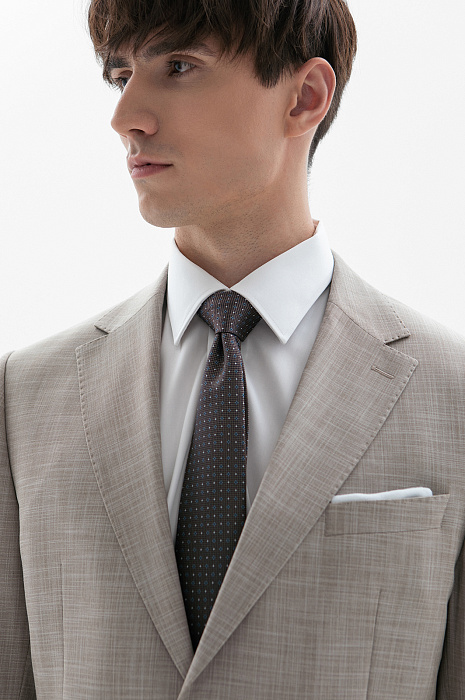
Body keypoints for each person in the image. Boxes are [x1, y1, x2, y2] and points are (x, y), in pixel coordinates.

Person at [1, 0, 464, 697]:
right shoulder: (27, 394)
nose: (125, 116)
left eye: (178, 66)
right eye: (120, 75)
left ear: (304, 97)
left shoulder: (450, 394)